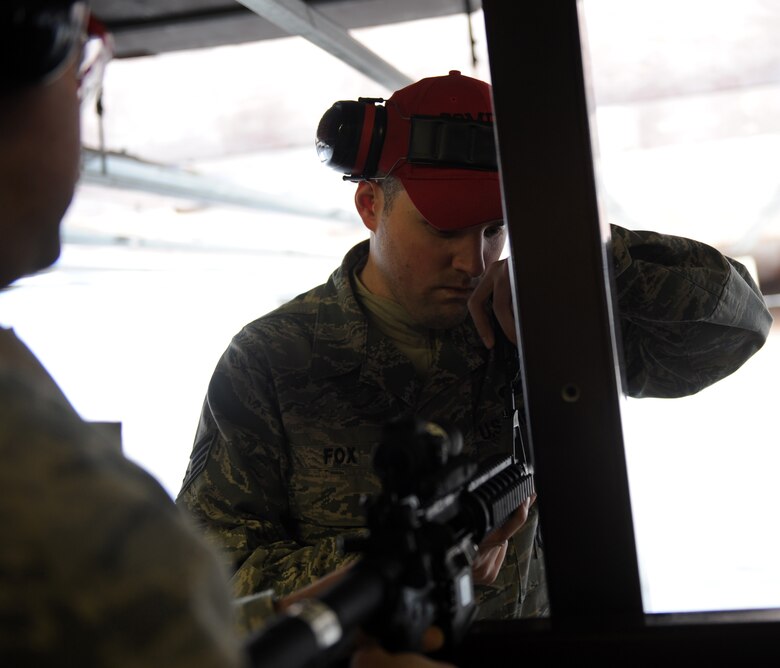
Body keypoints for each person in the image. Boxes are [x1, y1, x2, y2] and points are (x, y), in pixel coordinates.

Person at [176, 72, 772, 624]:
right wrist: (400, 560)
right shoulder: (272, 360)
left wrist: (577, 260)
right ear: (369, 205)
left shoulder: (532, 323)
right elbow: (208, 580)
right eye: (443, 230)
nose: (472, 260)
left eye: (494, 229)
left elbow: (736, 328)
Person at [0, 2, 455, 666]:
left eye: (493, 231)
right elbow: (193, 578)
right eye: (83, 58)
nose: (472, 260)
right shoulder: (52, 497)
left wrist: (276, 616)